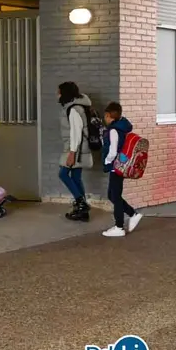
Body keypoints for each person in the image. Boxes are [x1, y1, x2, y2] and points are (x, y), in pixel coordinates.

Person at [101, 102, 142, 237]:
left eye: (105, 116)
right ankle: (132, 214)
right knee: (112, 195)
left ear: (109, 116)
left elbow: (112, 151)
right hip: (121, 165)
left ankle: (119, 226)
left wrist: (107, 161)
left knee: (115, 196)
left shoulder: (113, 130)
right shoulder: (122, 128)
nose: (104, 119)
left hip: (115, 166)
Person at [57, 82, 94, 222]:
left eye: (59, 92)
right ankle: (83, 213)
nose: (58, 95)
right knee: (76, 177)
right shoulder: (77, 107)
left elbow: (76, 133)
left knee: (63, 173)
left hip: (75, 149)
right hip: (77, 148)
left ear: (65, 93)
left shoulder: (74, 109)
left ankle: (81, 204)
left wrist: (72, 153)